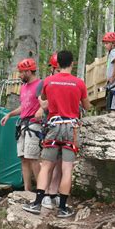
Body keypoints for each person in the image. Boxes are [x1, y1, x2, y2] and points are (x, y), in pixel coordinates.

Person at [23, 50, 91, 218]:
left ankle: (37, 203)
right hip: (71, 127)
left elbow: (44, 101)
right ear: (72, 63)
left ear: (57, 64)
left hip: (53, 127)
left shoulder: (48, 81)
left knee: (45, 166)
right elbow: (87, 106)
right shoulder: (79, 83)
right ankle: (62, 208)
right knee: (67, 167)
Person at [0, 58, 43, 192]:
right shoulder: (23, 87)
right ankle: (27, 191)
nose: (19, 75)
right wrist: (9, 114)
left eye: (21, 72)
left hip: (34, 125)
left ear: (29, 71)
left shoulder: (40, 85)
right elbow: (23, 107)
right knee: (23, 159)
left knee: (33, 158)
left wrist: (41, 110)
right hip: (23, 125)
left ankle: (41, 191)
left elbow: (46, 103)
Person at [37, 53, 63, 210]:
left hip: (64, 126)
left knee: (60, 163)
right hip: (50, 125)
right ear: (53, 69)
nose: (59, 72)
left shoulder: (68, 82)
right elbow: (42, 103)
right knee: (48, 163)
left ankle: (54, 193)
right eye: (57, 69)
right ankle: (45, 193)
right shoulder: (45, 82)